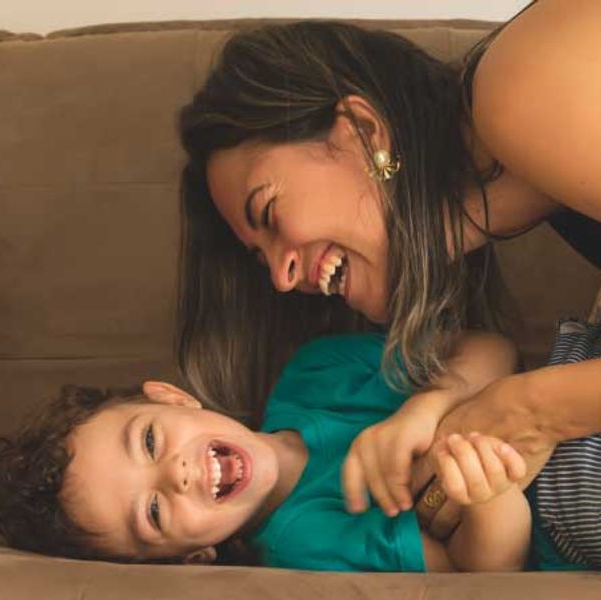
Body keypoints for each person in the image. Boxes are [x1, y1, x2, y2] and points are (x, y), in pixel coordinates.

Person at [175, 3, 601, 568]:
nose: (280, 278)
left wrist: (530, 408)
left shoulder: (520, 86)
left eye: (270, 212)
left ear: (362, 130)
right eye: (262, 259)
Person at [0, 332, 536, 571]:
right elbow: (484, 567)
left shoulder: (316, 371)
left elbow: (490, 346)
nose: (177, 474)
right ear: (190, 558)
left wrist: (426, 407)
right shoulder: (306, 544)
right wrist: (490, 491)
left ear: (173, 397)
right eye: (153, 512)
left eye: (150, 440)